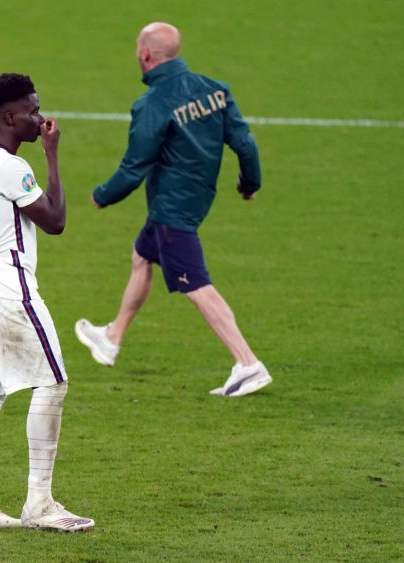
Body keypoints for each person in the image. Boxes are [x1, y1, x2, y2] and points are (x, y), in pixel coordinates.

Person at [74, 22, 272, 398]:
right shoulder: (215, 90)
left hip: (172, 208)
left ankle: (248, 363)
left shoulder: (153, 105)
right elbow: (245, 144)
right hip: (198, 198)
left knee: (196, 285)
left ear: (146, 54)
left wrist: (104, 194)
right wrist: (250, 184)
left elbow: (136, 164)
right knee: (141, 255)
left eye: (137, 46)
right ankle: (112, 337)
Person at [0, 73, 94, 532]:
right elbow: (55, 221)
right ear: (8, 117)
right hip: (9, 289)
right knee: (53, 383)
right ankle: (39, 503)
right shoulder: (13, 167)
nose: (40, 117)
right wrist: (52, 156)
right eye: (32, 111)